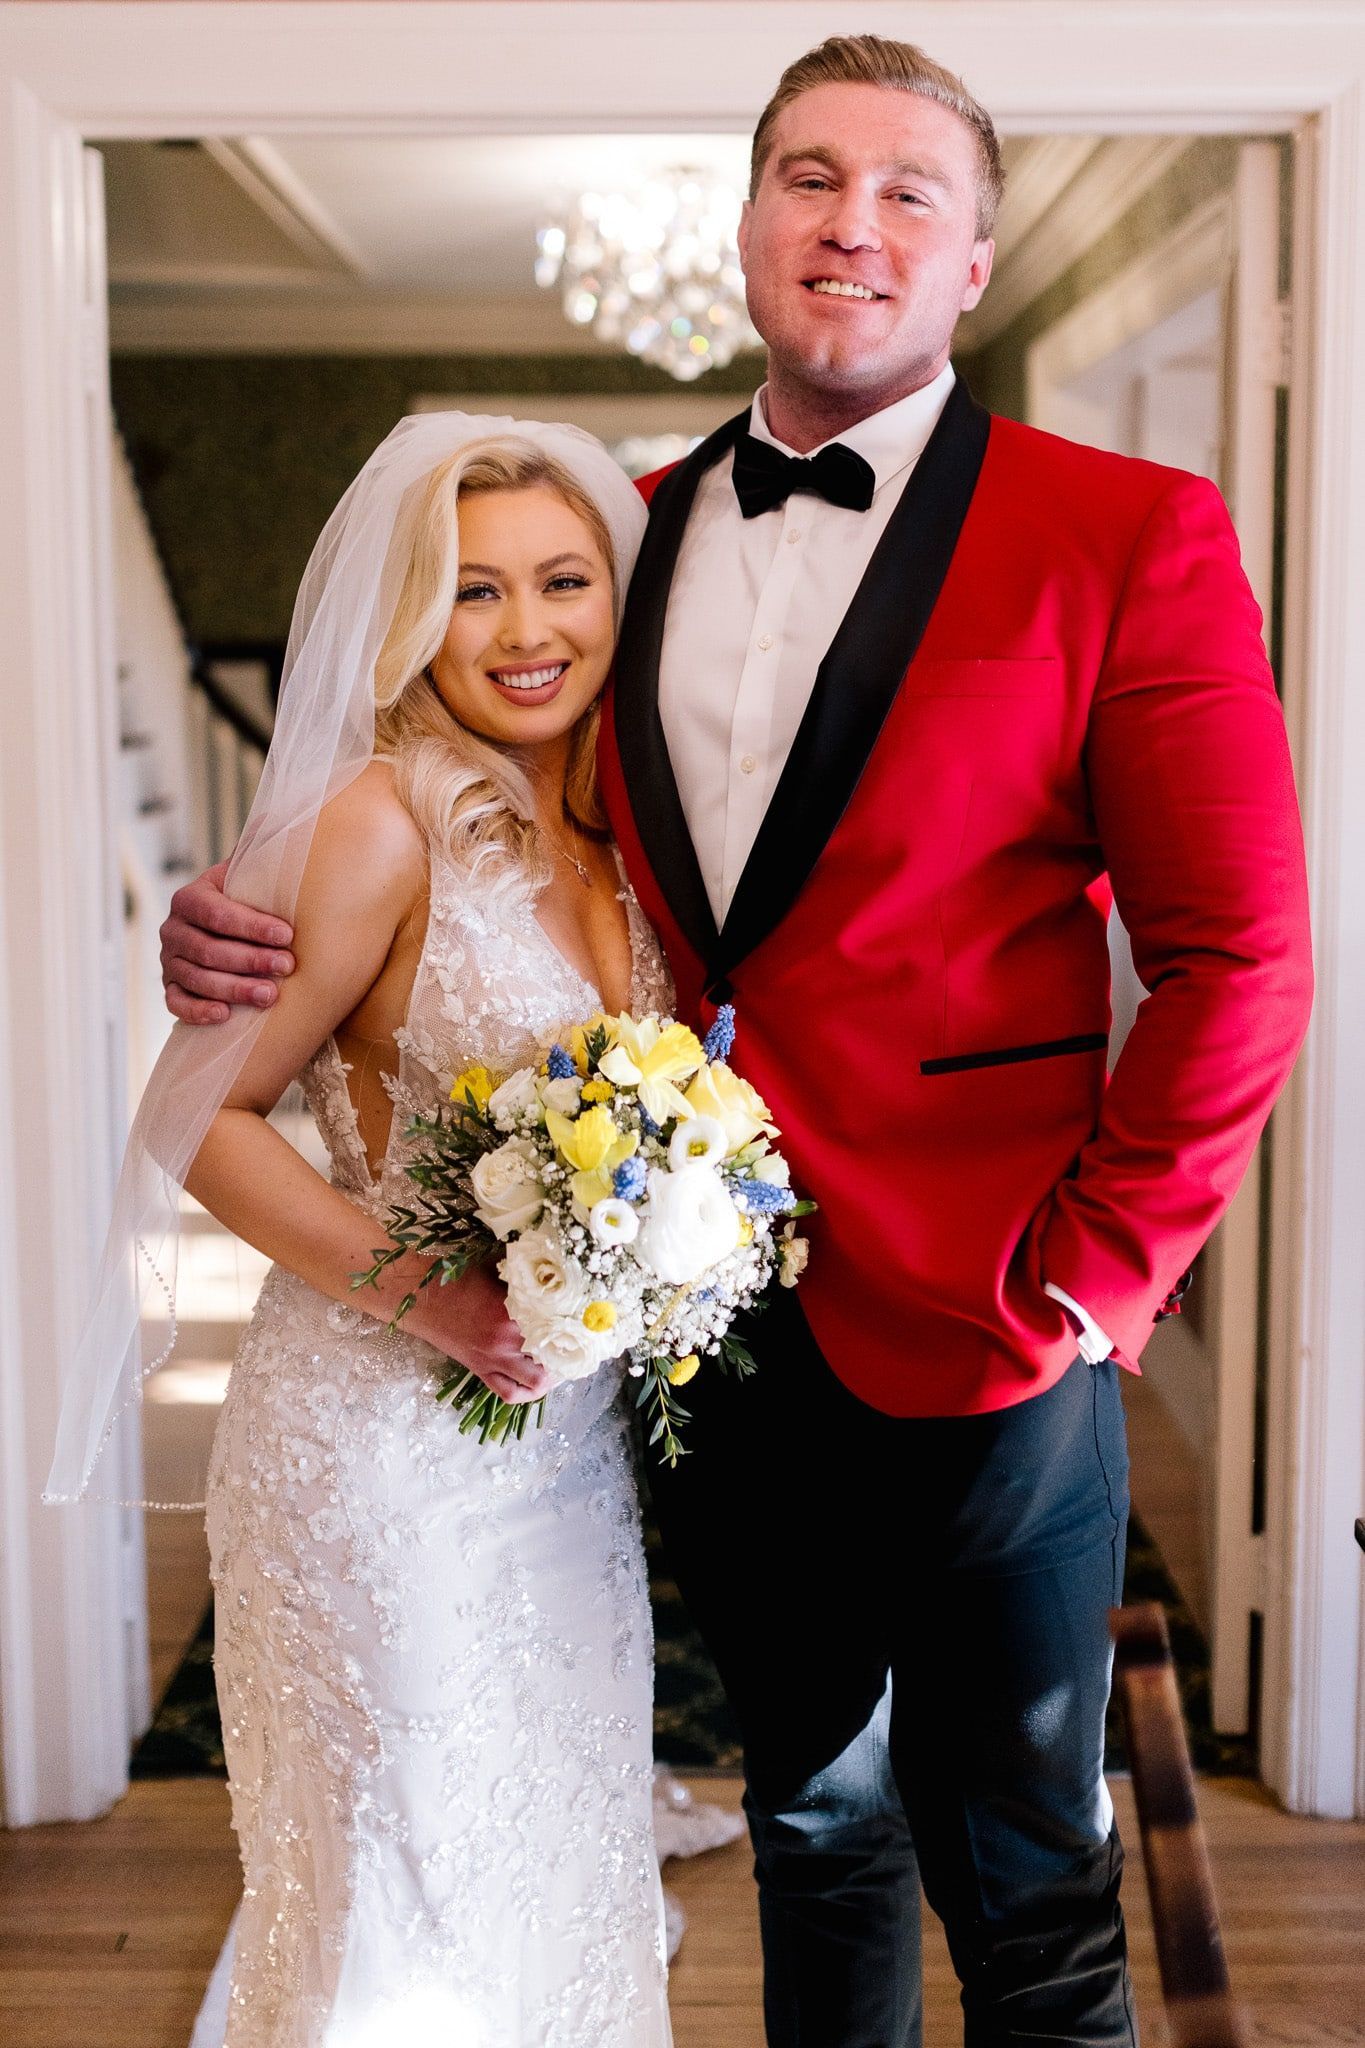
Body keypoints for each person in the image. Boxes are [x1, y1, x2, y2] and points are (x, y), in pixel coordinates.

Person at [157, 33, 1314, 2048]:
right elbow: (470, 812)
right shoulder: (633, 531)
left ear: (970, 259)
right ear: (748, 220)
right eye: (806, 178)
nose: (847, 223)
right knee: (810, 1826)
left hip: (993, 1319)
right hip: (706, 1338)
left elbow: (1238, 957)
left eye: (903, 191)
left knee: (1031, 1867)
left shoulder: (1126, 529)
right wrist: (234, 922)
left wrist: (1096, 1278)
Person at [53, 417, 676, 2045]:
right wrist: (439, 1307)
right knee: (395, 1892)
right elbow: (191, 1119)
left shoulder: (627, 839)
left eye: (562, 582)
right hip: (377, 1452)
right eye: (473, 593)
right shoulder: (377, 818)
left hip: (562, 1462)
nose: (527, 632)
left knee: (550, 1870)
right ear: (411, 619)